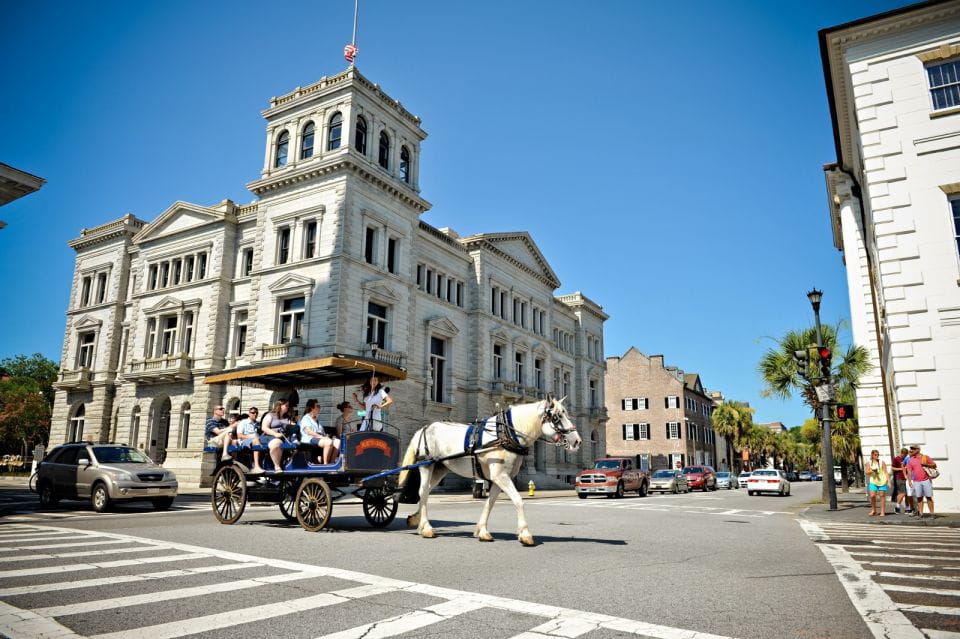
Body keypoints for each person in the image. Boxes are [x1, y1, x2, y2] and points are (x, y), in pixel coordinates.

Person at [299, 399, 339, 464]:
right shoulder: (306, 418)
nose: (319, 408)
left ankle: (331, 463)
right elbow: (309, 432)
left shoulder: (317, 419)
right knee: (328, 442)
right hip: (310, 439)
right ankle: (325, 464)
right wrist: (321, 437)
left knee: (337, 442)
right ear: (312, 408)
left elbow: (322, 432)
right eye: (318, 406)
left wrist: (327, 436)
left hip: (319, 438)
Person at [905, 444, 937, 518]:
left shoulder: (925, 457)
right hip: (916, 481)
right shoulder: (911, 459)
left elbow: (934, 465)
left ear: (918, 450)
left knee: (929, 497)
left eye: (913, 448)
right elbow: (909, 471)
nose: (911, 450)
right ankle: (921, 514)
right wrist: (909, 481)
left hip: (926, 480)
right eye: (911, 448)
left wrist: (926, 464)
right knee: (919, 498)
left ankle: (932, 514)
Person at [259, 400, 292, 472]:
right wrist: (275, 434)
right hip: (269, 436)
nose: (288, 407)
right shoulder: (270, 415)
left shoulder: (287, 417)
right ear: (280, 405)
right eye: (286, 405)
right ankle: (277, 466)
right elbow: (264, 428)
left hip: (283, 437)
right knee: (276, 443)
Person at [236, 406, 263, 473]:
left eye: (256, 413)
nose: (255, 414)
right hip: (244, 442)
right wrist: (251, 437)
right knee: (256, 440)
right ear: (249, 413)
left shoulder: (258, 424)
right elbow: (239, 435)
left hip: (257, 441)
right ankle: (256, 466)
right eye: (253, 413)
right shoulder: (243, 422)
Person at [866, 449, 889, 517]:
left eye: (878, 454)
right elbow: (867, 472)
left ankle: (882, 511)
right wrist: (872, 471)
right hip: (873, 481)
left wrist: (889, 481)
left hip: (882, 481)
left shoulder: (882, 462)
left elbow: (886, 472)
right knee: (872, 495)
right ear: (872, 455)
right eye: (875, 455)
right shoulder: (869, 463)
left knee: (882, 496)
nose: (877, 456)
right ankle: (874, 510)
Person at [890, 447, 910, 514]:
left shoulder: (907, 459)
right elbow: (893, 468)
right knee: (903, 493)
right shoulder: (896, 459)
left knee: (907, 494)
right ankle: (897, 507)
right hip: (899, 477)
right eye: (904, 454)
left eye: (906, 454)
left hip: (907, 478)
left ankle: (907, 508)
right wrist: (902, 469)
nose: (905, 456)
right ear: (902, 453)